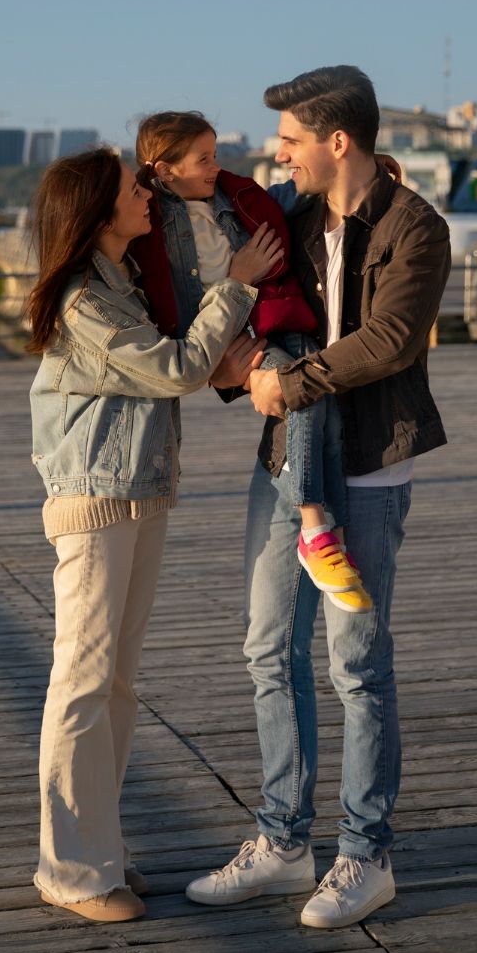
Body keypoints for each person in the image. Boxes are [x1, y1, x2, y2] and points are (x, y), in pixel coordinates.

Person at [185, 66, 451, 930]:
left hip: (369, 469)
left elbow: (392, 340)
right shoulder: (287, 218)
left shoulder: (416, 227)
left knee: (357, 667)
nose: (279, 155)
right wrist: (238, 372)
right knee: (268, 648)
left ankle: (366, 856)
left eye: (292, 141)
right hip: (287, 468)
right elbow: (244, 301)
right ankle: (283, 842)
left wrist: (293, 382)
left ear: (339, 142)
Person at [29, 147, 280, 924]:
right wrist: (237, 282)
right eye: (135, 189)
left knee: (116, 686)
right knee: (81, 684)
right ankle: (70, 871)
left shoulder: (124, 281)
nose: (148, 195)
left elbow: (167, 371)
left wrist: (225, 360)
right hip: (95, 501)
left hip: (137, 495)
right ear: (100, 212)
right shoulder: (83, 300)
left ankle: (102, 854)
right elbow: (169, 368)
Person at [129, 112, 370, 610]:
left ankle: (332, 534)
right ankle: (314, 530)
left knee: (319, 407)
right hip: (228, 333)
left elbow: (282, 196)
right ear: (165, 170)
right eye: (204, 159)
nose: (216, 166)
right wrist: (234, 286)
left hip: (269, 323)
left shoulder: (230, 197)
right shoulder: (149, 221)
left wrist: (360, 174)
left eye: (216, 154)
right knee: (301, 393)